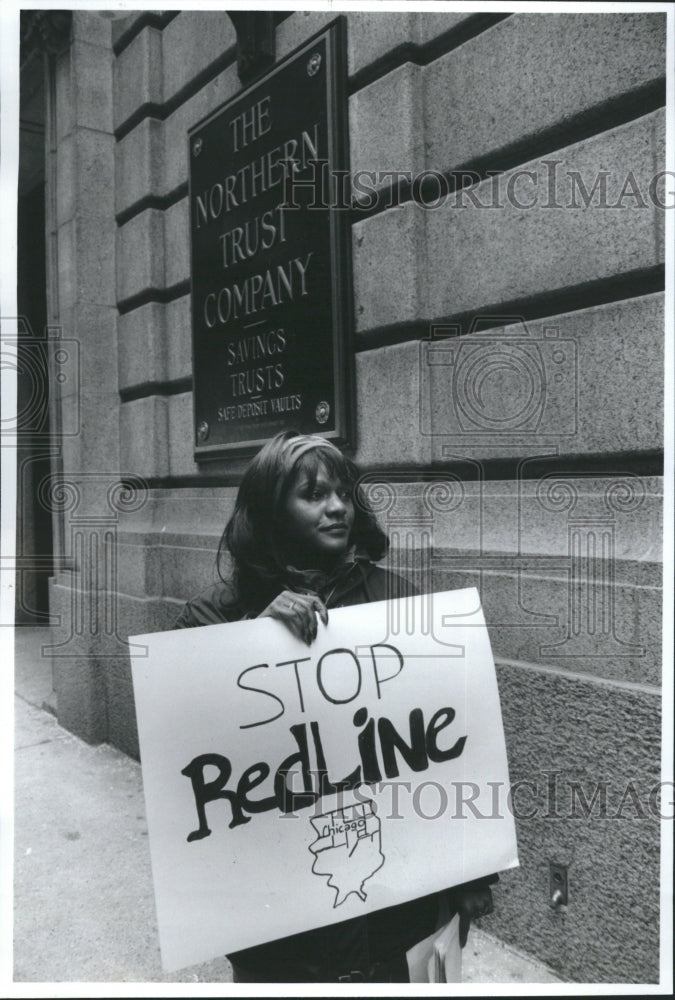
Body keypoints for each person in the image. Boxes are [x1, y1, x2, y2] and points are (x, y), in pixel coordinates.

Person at [174, 430, 496, 983]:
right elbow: (185, 745)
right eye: (313, 494)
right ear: (271, 511)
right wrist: (253, 643)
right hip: (285, 936)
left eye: (343, 493)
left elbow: (452, 743)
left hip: (397, 918)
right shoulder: (214, 618)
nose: (336, 508)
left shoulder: (400, 603)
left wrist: (473, 874)